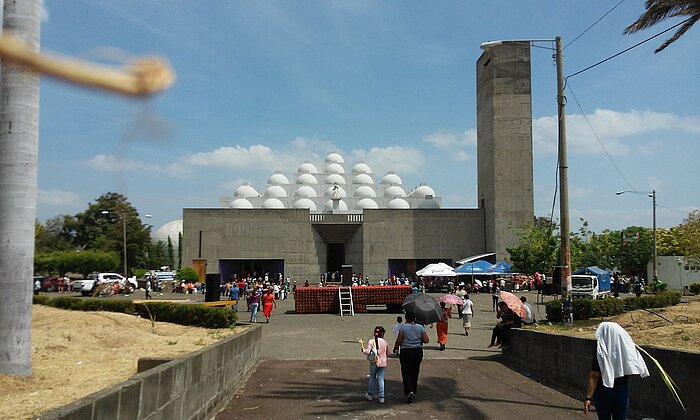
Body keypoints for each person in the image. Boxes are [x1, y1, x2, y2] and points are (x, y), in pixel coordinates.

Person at [584, 322, 649, 419]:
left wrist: (588, 398)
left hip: (603, 392)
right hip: (621, 391)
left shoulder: (600, 348)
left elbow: (594, 375)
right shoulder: (627, 347)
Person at [393, 312, 429, 403]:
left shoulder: (403, 327)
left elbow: (399, 340)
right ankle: (414, 390)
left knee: (406, 372)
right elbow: (426, 340)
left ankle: (409, 391)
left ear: (406, 319)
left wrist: (395, 348)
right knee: (415, 371)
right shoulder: (420, 328)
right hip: (417, 351)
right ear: (415, 319)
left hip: (406, 351)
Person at [361, 326, 389, 403]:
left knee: (372, 378)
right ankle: (381, 397)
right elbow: (388, 353)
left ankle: (370, 395)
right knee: (381, 378)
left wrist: (363, 350)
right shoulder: (384, 342)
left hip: (374, 362)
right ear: (382, 334)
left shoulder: (371, 341)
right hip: (383, 363)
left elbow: (367, 351)